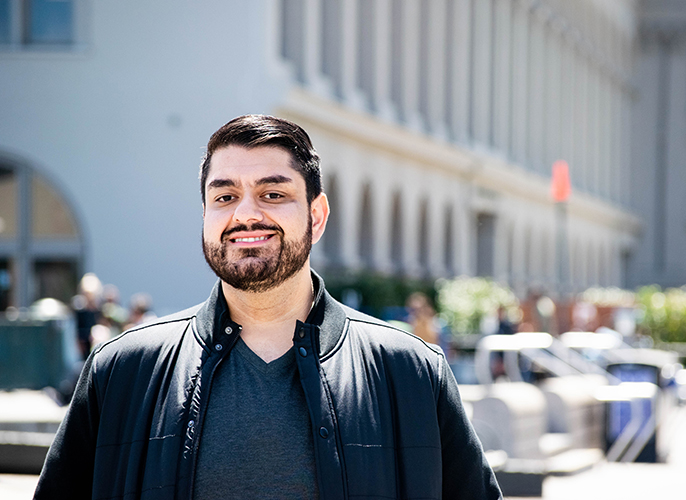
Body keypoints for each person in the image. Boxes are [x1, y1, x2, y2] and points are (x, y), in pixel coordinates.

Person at [35, 115, 502, 499]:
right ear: (205, 216)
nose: (245, 214)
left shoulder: (411, 371)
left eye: (273, 194)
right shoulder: (122, 371)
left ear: (315, 217)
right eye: (225, 197)